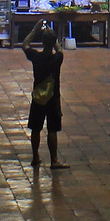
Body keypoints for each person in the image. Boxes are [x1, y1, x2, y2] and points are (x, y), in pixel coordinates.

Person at [22, 24, 69, 169]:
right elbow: (60, 49)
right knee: (52, 129)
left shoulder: (36, 57)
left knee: (36, 128)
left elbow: (25, 45)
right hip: (53, 97)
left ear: (42, 42)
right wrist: (53, 39)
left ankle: (35, 156)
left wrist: (35, 30)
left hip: (38, 97)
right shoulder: (57, 59)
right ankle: (54, 160)